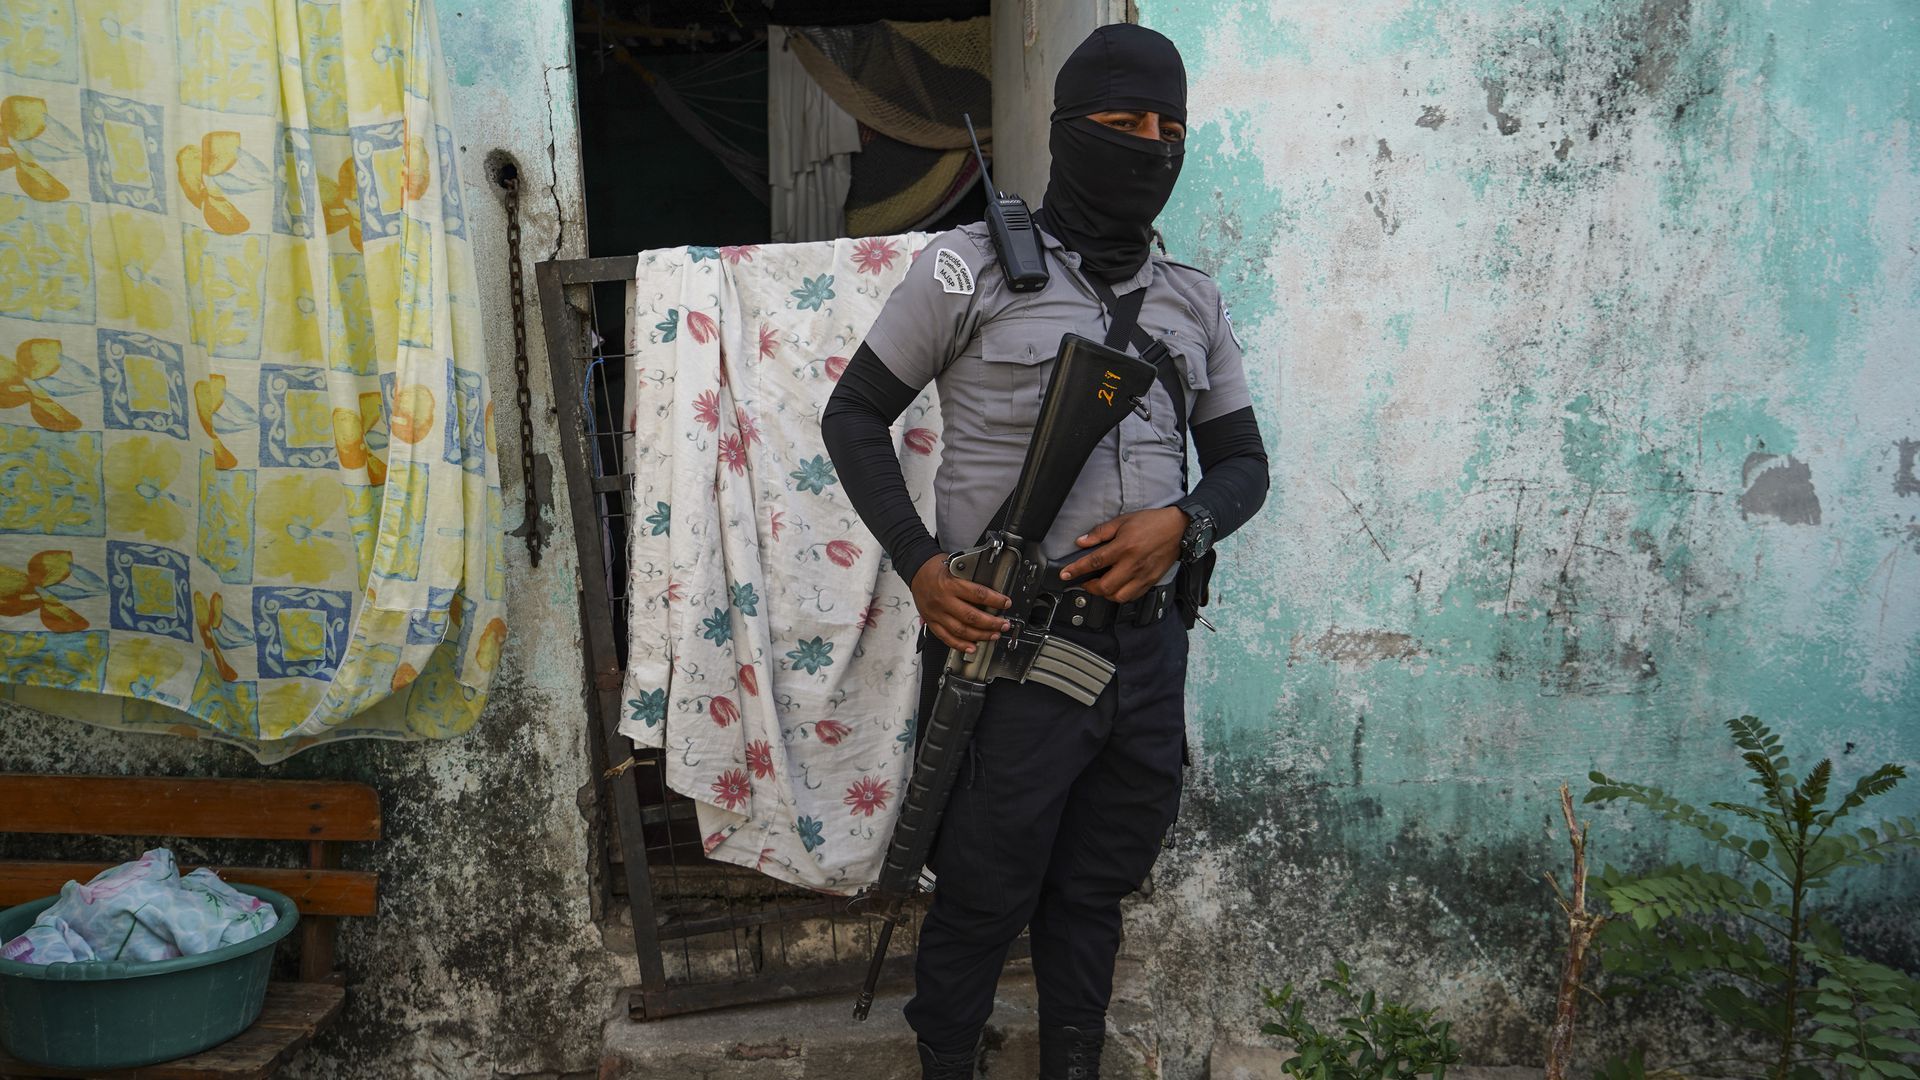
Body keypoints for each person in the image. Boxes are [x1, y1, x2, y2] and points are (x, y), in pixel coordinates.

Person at [820, 23, 1270, 1080]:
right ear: (1069, 133)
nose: (1153, 146)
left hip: (1146, 654)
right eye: (1125, 125)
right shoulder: (967, 270)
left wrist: (1184, 526)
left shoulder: (1194, 298)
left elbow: (1245, 464)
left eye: (1171, 128)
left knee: (1096, 886)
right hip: (1014, 648)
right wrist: (924, 567)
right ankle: (948, 1062)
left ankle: (1074, 1061)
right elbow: (853, 417)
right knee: (983, 888)